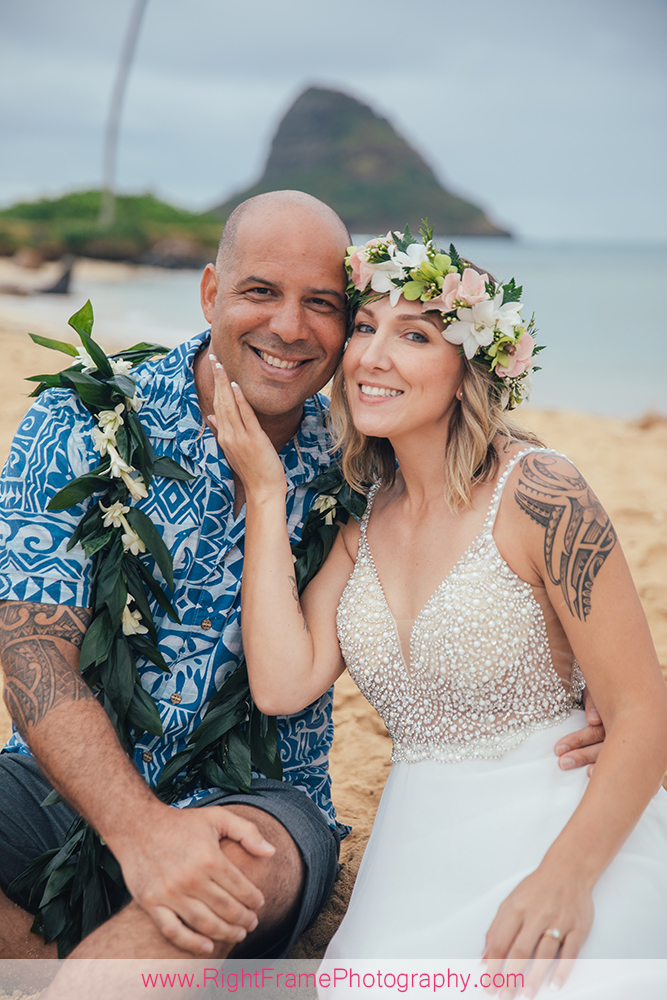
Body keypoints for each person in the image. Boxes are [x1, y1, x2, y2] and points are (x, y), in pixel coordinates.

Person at [0, 194, 603, 970]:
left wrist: (577, 677)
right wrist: (139, 830)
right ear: (211, 290)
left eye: (321, 304)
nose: (288, 327)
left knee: (220, 881)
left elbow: (482, 507)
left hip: (264, 803)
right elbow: (30, 648)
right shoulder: (79, 420)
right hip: (65, 787)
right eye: (260, 292)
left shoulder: (364, 459)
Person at [210, 227, 667, 995]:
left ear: (467, 373)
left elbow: (642, 711)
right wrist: (265, 492)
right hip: (416, 847)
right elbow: (282, 684)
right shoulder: (359, 526)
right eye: (363, 327)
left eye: (413, 334)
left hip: (565, 824)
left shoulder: (540, 494)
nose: (370, 357)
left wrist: (565, 878)